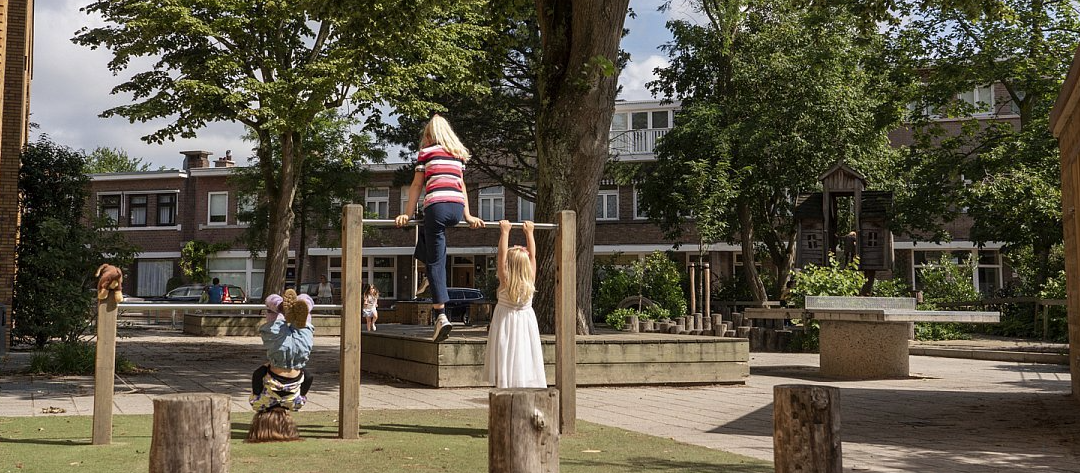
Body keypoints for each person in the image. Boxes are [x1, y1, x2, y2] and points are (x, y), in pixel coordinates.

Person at [396, 114, 484, 342]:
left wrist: (407, 214)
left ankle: (441, 315)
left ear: (429, 135)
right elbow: (461, 186)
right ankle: (427, 277)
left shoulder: (426, 153)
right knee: (429, 233)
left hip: (436, 207)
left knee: (437, 262)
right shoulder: (457, 155)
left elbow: (417, 185)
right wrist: (468, 215)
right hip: (455, 209)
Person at [484, 220, 546, 388]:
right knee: (523, 351)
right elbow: (533, 256)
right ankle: (524, 381)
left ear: (508, 265)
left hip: (506, 320)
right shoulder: (530, 279)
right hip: (525, 321)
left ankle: (505, 382)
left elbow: (500, 255)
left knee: (506, 350)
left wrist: (505, 232)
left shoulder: (505, 280)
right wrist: (530, 233)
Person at [250, 288, 315, 413]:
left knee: (305, 312)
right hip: (278, 355)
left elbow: (309, 376)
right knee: (271, 302)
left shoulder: (295, 405)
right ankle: (280, 308)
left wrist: (299, 368)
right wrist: (266, 366)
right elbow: (257, 375)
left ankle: (303, 304)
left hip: (300, 357)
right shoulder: (260, 404)